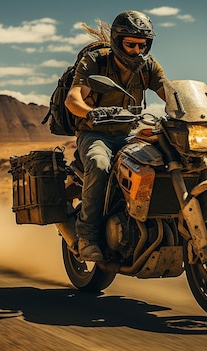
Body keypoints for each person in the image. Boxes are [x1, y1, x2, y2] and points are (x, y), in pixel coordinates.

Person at [65, 10, 167, 261]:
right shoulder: (96, 61)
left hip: (132, 133)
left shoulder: (148, 65)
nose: (136, 50)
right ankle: (87, 236)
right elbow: (73, 98)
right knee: (100, 165)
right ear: (117, 41)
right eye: (130, 44)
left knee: (170, 159)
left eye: (142, 45)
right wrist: (89, 114)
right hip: (96, 134)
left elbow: (169, 91)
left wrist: (193, 108)